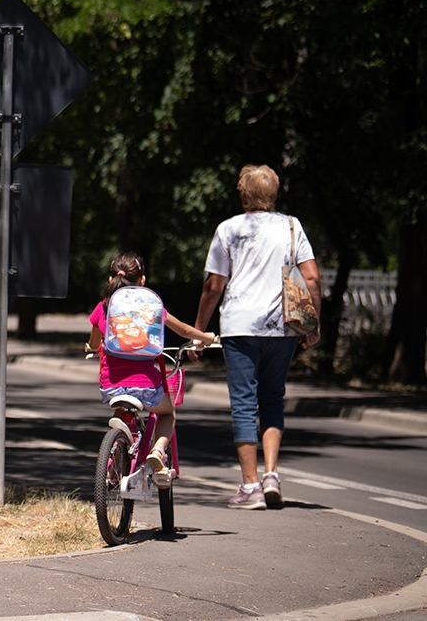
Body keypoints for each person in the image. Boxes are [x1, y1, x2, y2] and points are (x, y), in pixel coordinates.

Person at [193, 164, 321, 510]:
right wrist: (312, 323)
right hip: (282, 328)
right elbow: (312, 279)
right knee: (273, 399)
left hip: (240, 327)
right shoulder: (292, 226)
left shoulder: (229, 229)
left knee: (245, 405)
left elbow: (214, 285)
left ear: (243, 193)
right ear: (274, 193)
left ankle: (250, 487)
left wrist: (200, 331)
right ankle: (271, 476)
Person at [87, 252, 218, 488]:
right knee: (167, 413)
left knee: (121, 416)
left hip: (111, 385)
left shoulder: (104, 307)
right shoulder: (152, 307)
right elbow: (185, 331)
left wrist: (90, 346)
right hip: (146, 385)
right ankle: (158, 451)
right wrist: (206, 337)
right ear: (143, 280)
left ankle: (113, 463)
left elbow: (95, 341)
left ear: (111, 279)